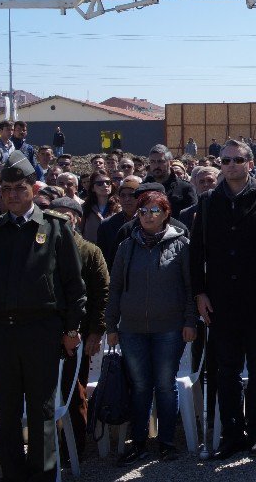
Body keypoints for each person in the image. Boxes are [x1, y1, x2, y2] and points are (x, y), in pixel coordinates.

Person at [0, 151, 86, 482]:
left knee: (42, 413)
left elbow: (74, 286)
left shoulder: (55, 228)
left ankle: (43, 476)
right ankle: (12, 476)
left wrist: (72, 329)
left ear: (33, 188)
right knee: (7, 413)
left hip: (41, 332)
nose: (12, 194)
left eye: (18, 187)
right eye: (6, 188)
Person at [190, 140, 256, 460]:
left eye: (237, 160)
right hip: (220, 302)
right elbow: (196, 252)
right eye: (225, 160)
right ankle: (231, 434)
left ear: (250, 163)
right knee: (225, 371)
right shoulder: (207, 202)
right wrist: (199, 293)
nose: (231, 165)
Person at [105, 190, 197, 465]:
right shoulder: (126, 246)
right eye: (143, 211)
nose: (147, 216)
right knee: (141, 386)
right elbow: (116, 289)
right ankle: (139, 442)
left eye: (154, 211)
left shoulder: (181, 245)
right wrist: (111, 325)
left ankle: (167, 442)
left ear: (166, 213)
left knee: (166, 386)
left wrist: (190, 321)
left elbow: (191, 289)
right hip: (132, 328)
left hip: (169, 328)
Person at [48, 196, 110, 455]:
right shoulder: (39, 247)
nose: (62, 219)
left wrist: (96, 331)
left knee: (75, 392)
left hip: (78, 333)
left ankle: (74, 448)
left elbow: (102, 294)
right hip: (44, 332)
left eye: (67, 214)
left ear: (77, 218)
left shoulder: (90, 251)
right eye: (56, 214)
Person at [96, 175, 140, 268]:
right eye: (123, 195)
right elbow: (103, 257)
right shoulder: (107, 224)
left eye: (132, 195)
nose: (127, 199)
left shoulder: (148, 221)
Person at [145, 144, 197, 215]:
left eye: (160, 161)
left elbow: (193, 216)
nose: (156, 166)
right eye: (152, 162)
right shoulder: (144, 187)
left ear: (170, 163)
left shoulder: (185, 188)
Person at [80, 169, 121, 243]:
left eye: (108, 182)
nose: (105, 185)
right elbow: (79, 232)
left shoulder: (119, 206)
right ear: (92, 188)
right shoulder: (85, 208)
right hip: (92, 251)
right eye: (99, 183)